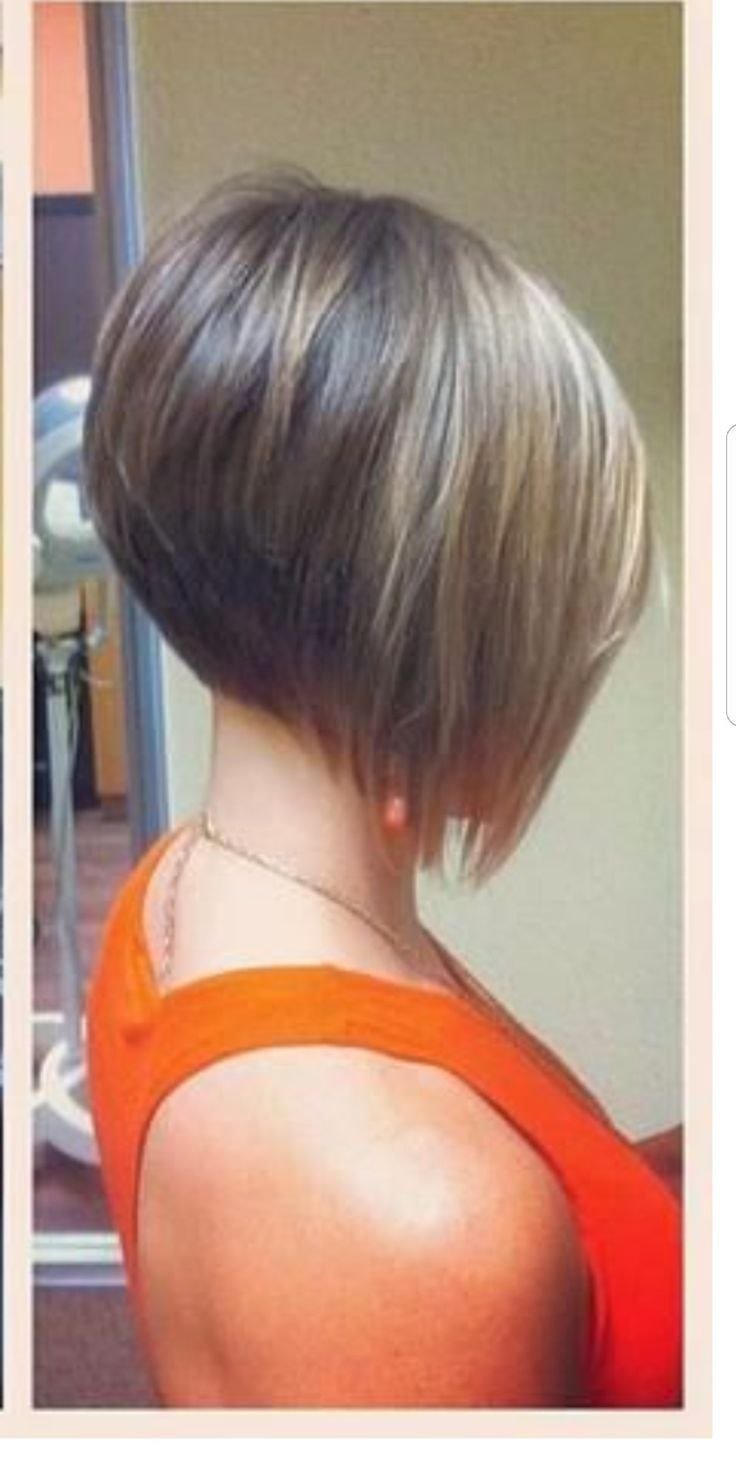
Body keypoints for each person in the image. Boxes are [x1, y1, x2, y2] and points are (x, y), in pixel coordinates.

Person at [84, 172, 682, 1409]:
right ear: (437, 649)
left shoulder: (177, 894)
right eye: (553, 629)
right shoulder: (417, 1218)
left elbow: (570, 1228)